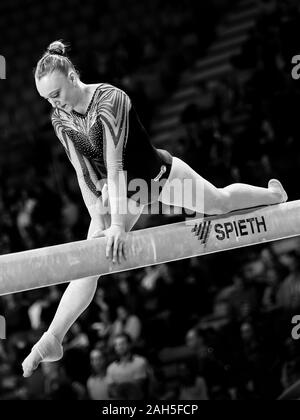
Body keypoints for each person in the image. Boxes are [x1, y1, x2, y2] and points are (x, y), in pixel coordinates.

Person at [22, 40, 288, 377]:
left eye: (56, 92)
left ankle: (273, 197)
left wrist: (118, 224)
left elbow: (115, 164)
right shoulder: (60, 118)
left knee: (219, 202)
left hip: (157, 178)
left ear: (73, 76)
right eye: (46, 99)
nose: (54, 102)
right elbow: (84, 173)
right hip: (122, 194)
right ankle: (52, 339)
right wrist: (100, 220)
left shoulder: (110, 99)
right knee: (89, 261)